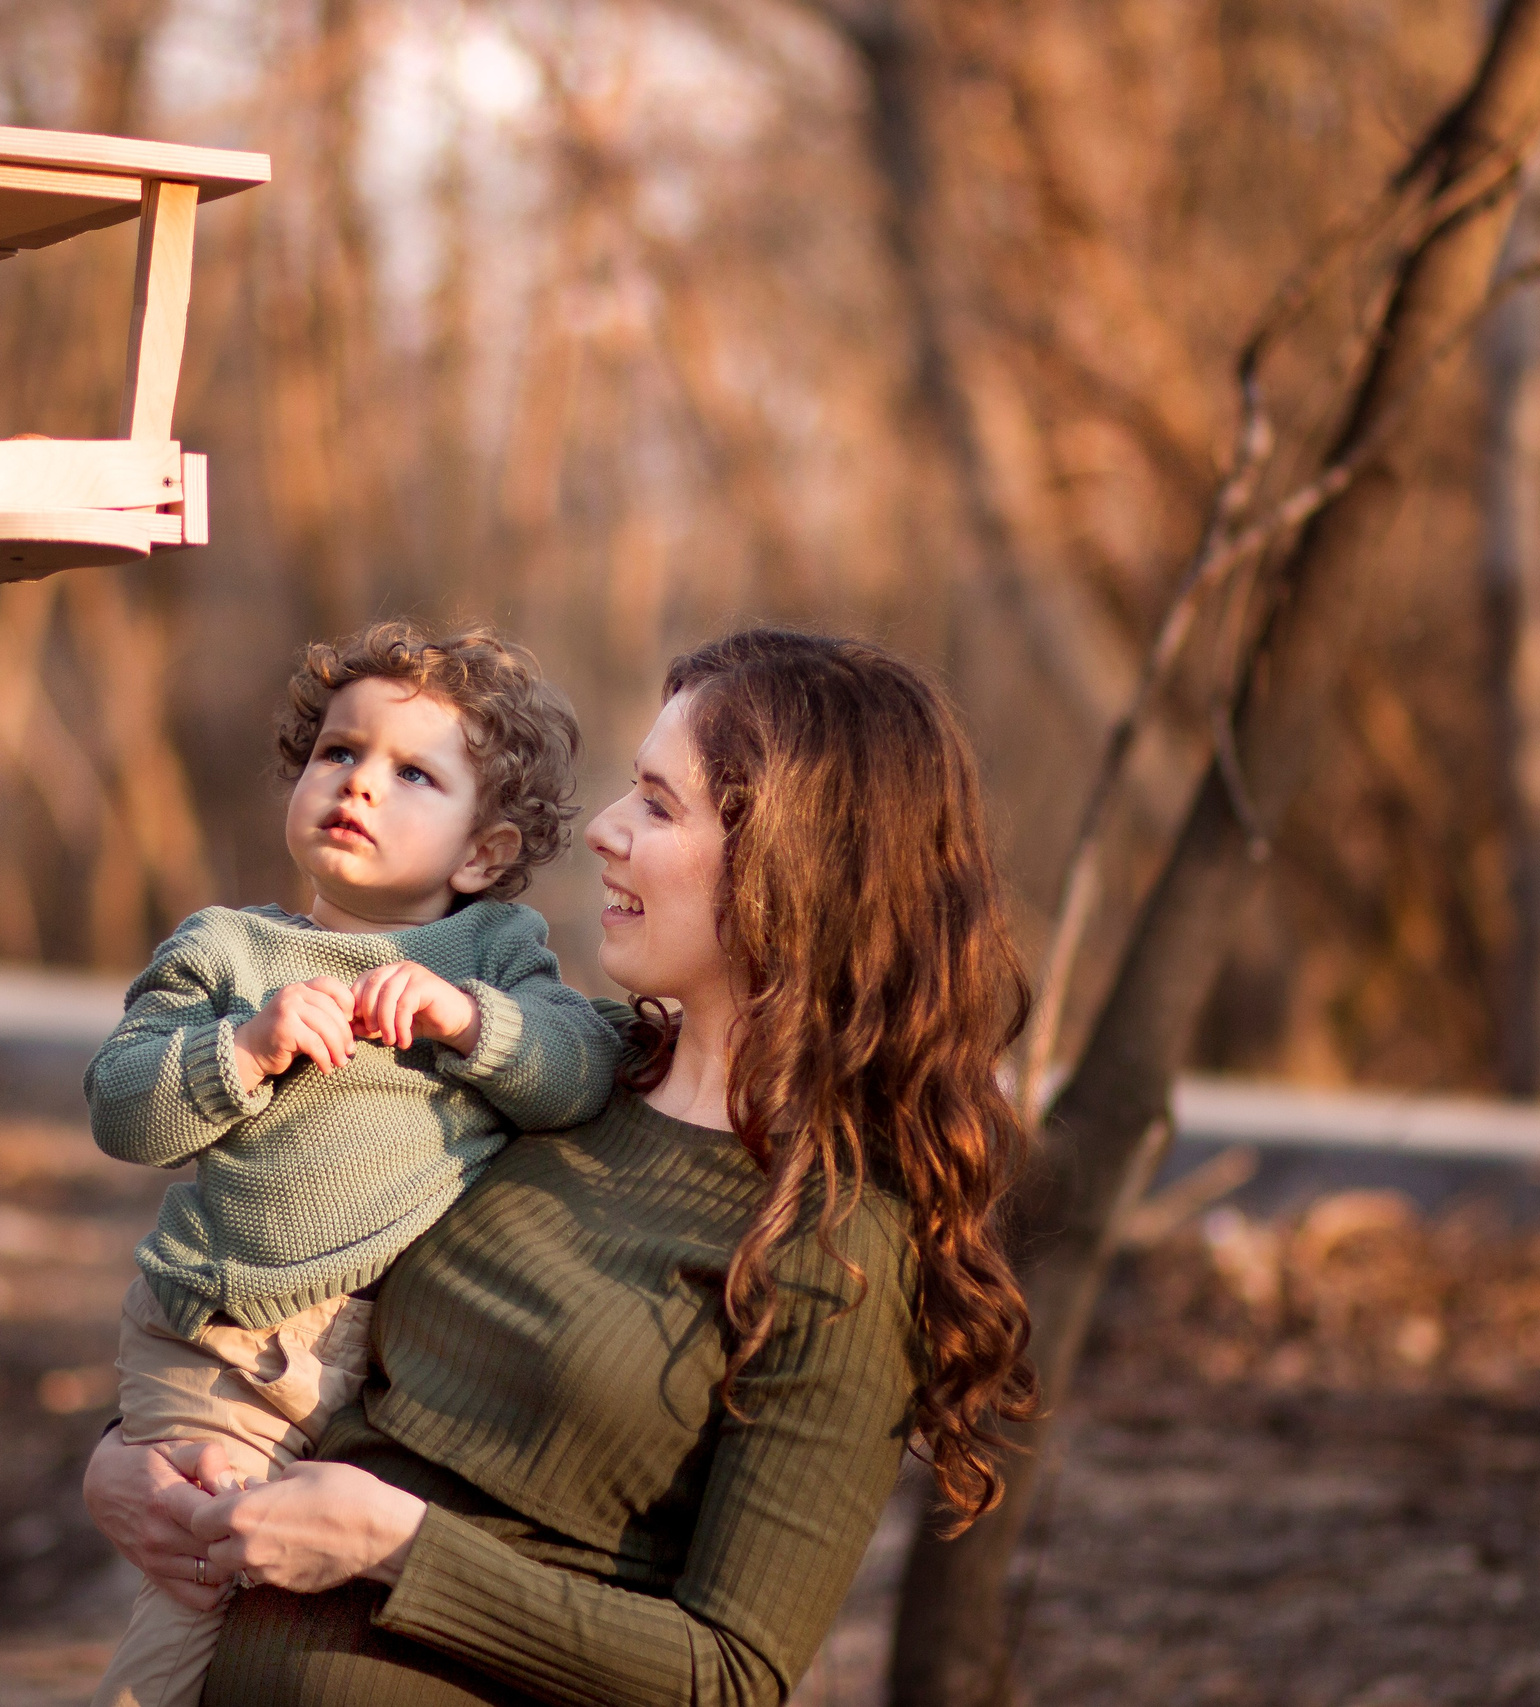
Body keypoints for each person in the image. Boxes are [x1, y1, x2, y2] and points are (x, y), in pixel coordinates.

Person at [84, 628, 1040, 1707]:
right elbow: (298, 1244)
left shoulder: (836, 1239)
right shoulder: (547, 1070)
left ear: (795, 866)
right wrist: (127, 1457)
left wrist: (400, 1547)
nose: (603, 833)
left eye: (656, 804)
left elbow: (730, 1676)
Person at [83, 620, 623, 1707]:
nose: (359, 785)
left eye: (412, 772)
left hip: (383, 1360)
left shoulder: (494, 957)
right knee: (202, 1579)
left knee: (321, 1600)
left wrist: (471, 1022)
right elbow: (122, 1107)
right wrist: (243, 1046)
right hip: (225, 1345)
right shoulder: (227, 950)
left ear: (483, 852)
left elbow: (582, 1066)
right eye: (338, 752)